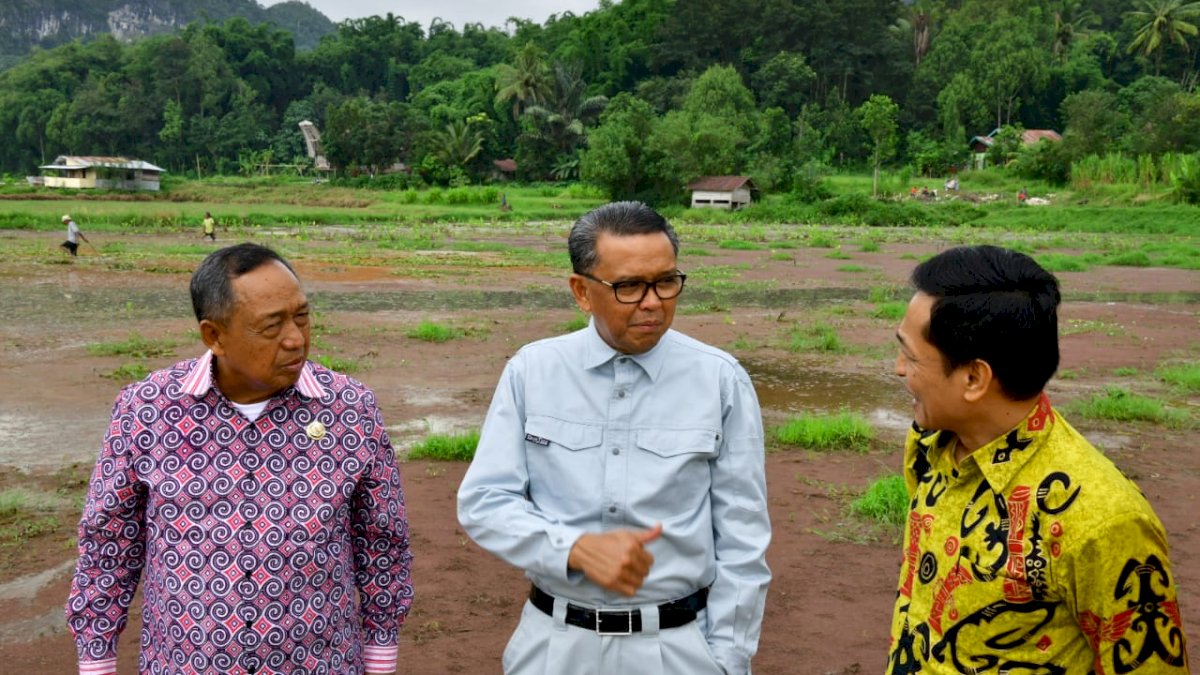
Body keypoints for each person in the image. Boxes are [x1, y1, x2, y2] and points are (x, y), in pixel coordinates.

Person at [66, 243, 413, 675]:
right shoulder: (147, 409)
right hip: (184, 665)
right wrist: (96, 660)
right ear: (215, 336)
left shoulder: (351, 408)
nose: (295, 339)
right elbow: (108, 543)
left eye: (301, 316)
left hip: (322, 663)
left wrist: (380, 658)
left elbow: (382, 541)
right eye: (271, 327)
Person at [457, 201, 771, 675]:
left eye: (666, 281)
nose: (652, 302)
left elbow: (743, 538)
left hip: (678, 650)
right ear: (582, 292)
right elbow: (484, 502)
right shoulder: (532, 372)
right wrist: (573, 548)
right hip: (555, 646)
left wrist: (727, 659)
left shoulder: (720, 380)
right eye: (628, 286)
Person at [886, 245, 1189, 672]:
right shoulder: (930, 444)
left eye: (911, 356)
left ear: (974, 377)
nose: (900, 369)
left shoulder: (1104, 521)